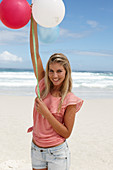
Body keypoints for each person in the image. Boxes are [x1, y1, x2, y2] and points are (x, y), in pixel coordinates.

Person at [28, 14, 84, 170]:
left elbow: (66, 133)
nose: (54, 76)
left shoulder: (70, 100)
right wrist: (34, 20)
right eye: (51, 71)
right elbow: (34, 53)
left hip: (57, 153)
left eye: (59, 71)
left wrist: (46, 113)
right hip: (36, 149)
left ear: (66, 72)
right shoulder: (43, 86)